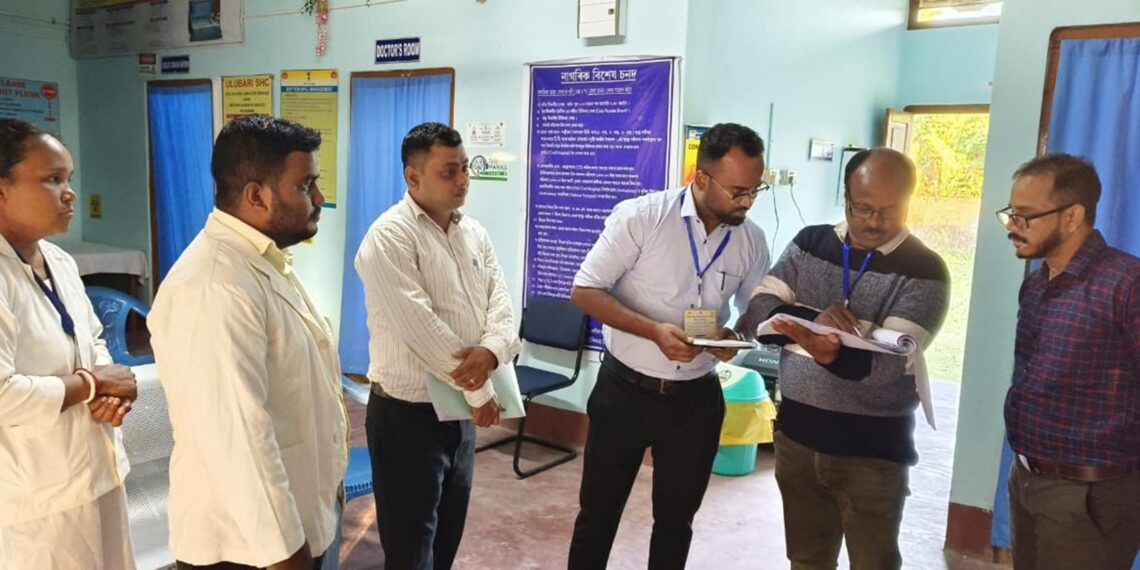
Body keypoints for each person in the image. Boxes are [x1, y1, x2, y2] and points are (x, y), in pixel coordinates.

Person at [568, 122, 770, 570]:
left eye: (756, 190)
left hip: (695, 401)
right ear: (702, 178)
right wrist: (653, 331)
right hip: (625, 392)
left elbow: (756, 310)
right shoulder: (642, 218)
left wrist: (736, 338)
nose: (747, 202)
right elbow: (585, 290)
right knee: (598, 514)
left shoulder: (750, 239)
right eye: (738, 191)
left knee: (677, 522)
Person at [148, 115, 347, 570]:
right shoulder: (215, 285)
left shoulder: (261, 261)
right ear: (256, 195)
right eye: (305, 186)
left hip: (292, 521)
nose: (319, 198)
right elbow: (237, 437)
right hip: (247, 549)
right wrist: (285, 554)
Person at [737, 148, 949, 570]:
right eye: (863, 208)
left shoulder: (925, 269)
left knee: (873, 564)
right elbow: (759, 312)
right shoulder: (810, 242)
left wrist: (816, 342)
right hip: (797, 441)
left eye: (889, 210)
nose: (874, 222)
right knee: (806, 561)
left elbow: (889, 365)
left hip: (871, 454)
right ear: (847, 197)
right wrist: (819, 323)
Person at [354, 122, 520, 570]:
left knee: (446, 541)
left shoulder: (474, 233)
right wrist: (480, 392)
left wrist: (492, 352)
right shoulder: (389, 237)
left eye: (465, 168)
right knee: (411, 551)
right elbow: (422, 329)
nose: (463, 180)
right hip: (408, 419)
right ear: (413, 177)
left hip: (460, 417)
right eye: (450, 171)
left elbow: (502, 305)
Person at [0, 119, 137, 569]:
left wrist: (109, 392)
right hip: (33, 501)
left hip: (98, 471)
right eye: (52, 179)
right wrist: (94, 384)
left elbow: (90, 338)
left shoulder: (58, 260)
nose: (70, 193)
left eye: (68, 178)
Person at [998, 154, 1139, 570]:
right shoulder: (1037, 283)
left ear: (1073, 216)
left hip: (1091, 494)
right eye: (1010, 214)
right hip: (1027, 479)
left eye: (1025, 216)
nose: (1012, 226)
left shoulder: (1126, 284)